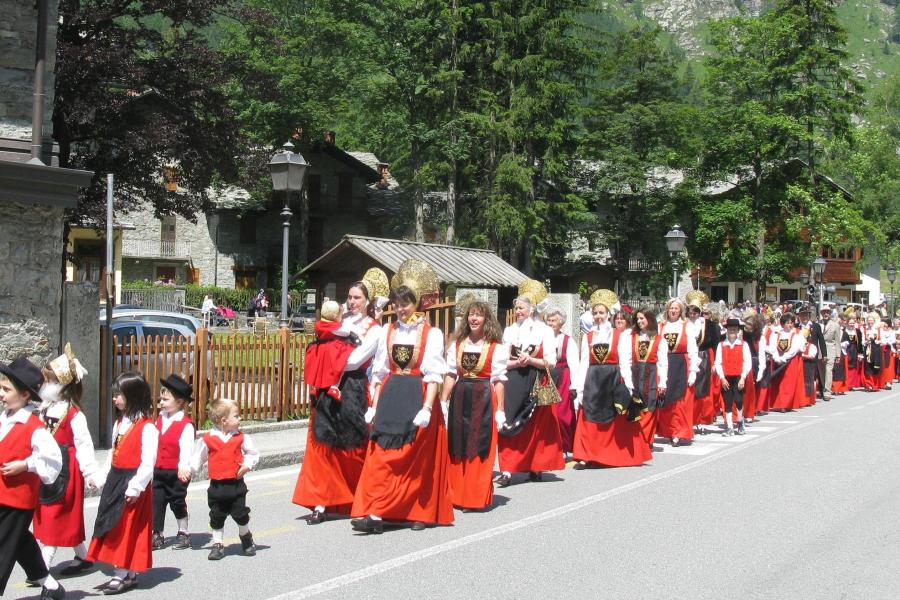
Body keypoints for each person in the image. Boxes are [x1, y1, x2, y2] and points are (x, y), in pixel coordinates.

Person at [350, 259, 453, 533]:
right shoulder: (388, 330)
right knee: (381, 456)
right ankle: (376, 512)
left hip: (418, 395)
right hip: (391, 395)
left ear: (417, 303)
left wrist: (428, 408)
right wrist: (373, 404)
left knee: (414, 459)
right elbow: (380, 370)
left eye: (405, 303)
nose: (400, 308)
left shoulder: (432, 334)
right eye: (397, 303)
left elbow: (434, 374)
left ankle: (418, 511)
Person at [293, 268, 386, 524]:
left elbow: (355, 361)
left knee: (351, 446)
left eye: (357, 297)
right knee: (323, 445)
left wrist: (327, 358)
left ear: (367, 301)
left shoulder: (374, 329)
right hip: (326, 386)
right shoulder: (338, 322)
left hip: (352, 388)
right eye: (350, 297)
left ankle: (357, 496)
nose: (352, 301)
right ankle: (321, 502)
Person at [87, 371, 158, 594]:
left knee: (126, 528)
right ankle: (129, 573)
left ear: (133, 396)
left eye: (119, 395)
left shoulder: (147, 427)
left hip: (132, 482)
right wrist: (101, 477)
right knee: (112, 525)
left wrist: (135, 487)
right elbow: (113, 453)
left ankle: (121, 573)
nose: (114, 399)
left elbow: (148, 463)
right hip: (116, 480)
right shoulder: (119, 423)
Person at [0, 357, 64, 600]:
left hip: (17, 500)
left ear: (25, 395)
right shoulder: (5, 417)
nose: (1, 394)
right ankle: (51, 585)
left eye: (7, 390)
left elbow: (53, 460)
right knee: (19, 542)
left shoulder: (34, 427)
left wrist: (25, 464)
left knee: (4, 547)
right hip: (2, 494)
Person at [33, 346, 99, 578]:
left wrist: (90, 472)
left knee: (57, 514)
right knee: (50, 512)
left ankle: (41, 567)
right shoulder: (45, 408)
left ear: (62, 385)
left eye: (49, 382)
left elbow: (84, 445)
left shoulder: (74, 414)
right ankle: (83, 556)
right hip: (47, 466)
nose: (45, 386)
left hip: (66, 469)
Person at [440, 298, 507, 511]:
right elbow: (451, 374)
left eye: (478, 315)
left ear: (486, 319)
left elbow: (498, 379)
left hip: (483, 396)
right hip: (461, 395)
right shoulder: (457, 344)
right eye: (471, 314)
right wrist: (443, 400)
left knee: (478, 444)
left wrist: (500, 410)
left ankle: (473, 497)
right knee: (458, 443)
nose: (474, 318)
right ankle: (456, 494)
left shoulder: (495, 348)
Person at [496, 280, 564, 486]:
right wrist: (517, 362)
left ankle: (535, 465)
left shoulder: (544, 331)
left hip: (537, 379)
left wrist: (531, 360)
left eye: (521, 308)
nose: (517, 311)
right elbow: (501, 360)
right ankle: (507, 469)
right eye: (516, 308)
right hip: (514, 379)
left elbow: (551, 362)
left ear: (532, 309)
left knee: (535, 425)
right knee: (509, 421)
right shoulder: (509, 331)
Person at [572, 289, 647, 468]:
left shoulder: (619, 335)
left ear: (608, 314)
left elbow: (625, 362)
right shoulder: (588, 336)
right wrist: (579, 387)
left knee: (614, 417)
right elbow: (584, 362)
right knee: (589, 414)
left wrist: (628, 386)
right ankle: (588, 454)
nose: (598, 316)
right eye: (595, 313)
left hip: (612, 379)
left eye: (601, 313)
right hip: (593, 380)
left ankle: (613, 454)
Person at [191, 398, 259, 560]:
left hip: (236, 485)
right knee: (216, 515)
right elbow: (198, 457)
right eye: (236, 416)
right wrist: (189, 470)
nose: (239, 418)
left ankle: (245, 536)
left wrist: (247, 465)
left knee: (240, 514)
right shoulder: (208, 439)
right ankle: (218, 544)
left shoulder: (241, 437)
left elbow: (253, 453)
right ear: (224, 421)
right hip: (217, 486)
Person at [151, 374, 195, 551]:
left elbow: (186, 447)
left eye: (165, 399)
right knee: (157, 502)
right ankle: (157, 533)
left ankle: (183, 532)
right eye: (161, 399)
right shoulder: (160, 419)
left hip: (176, 471)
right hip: (159, 470)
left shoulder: (185, 424)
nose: (161, 402)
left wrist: (184, 466)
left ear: (179, 402)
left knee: (177, 501)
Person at [656, 298, 699, 446]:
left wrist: (693, 370)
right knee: (666, 400)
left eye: (676, 308)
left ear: (681, 311)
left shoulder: (687, 326)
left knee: (681, 401)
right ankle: (669, 430)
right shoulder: (661, 326)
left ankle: (678, 433)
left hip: (681, 363)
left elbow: (693, 349)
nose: (673, 311)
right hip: (665, 363)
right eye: (671, 308)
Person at [543, 306, 579, 458]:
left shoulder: (567, 341)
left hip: (563, 379)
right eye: (549, 320)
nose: (551, 323)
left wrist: (574, 385)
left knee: (562, 414)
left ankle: (563, 446)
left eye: (554, 320)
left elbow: (574, 364)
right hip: (546, 378)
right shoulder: (542, 339)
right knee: (546, 415)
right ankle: (549, 448)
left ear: (561, 323)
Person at [632, 308, 667, 451]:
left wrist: (663, 382)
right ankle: (637, 439)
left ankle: (647, 439)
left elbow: (663, 363)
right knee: (636, 407)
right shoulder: (633, 337)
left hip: (651, 374)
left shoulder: (659, 340)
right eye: (638, 319)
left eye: (642, 318)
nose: (639, 321)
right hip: (635, 373)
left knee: (649, 407)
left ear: (650, 319)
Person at [685, 291, 720, 432]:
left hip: (704, 356)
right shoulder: (684, 324)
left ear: (699, 312)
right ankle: (690, 418)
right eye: (690, 311)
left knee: (702, 389)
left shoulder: (709, 325)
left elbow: (716, 344)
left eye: (695, 311)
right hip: (687, 358)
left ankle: (702, 418)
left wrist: (716, 363)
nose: (692, 314)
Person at [714, 318, 751, 436]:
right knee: (728, 402)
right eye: (730, 329)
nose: (732, 331)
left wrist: (743, 377)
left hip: (739, 377)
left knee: (739, 400)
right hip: (726, 378)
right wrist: (722, 378)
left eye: (734, 329)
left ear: (738, 330)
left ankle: (740, 421)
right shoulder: (721, 345)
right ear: (727, 330)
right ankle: (729, 426)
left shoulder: (743, 345)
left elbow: (747, 362)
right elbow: (718, 363)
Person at [769, 313, 806, 411]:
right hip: (777, 360)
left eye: (791, 323)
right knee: (777, 382)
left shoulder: (796, 334)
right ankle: (777, 403)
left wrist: (785, 358)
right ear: (782, 324)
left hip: (790, 360)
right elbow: (773, 346)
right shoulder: (776, 333)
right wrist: (776, 358)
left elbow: (795, 348)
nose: (790, 325)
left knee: (788, 383)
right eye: (787, 323)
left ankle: (785, 404)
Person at [820, 307, 841, 400]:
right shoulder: (818, 323)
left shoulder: (835, 325)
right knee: (821, 370)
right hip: (820, 349)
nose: (826, 314)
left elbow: (837, 340)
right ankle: (823, 388)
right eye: (824, 312)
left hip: (830, 348)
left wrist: (838, 354)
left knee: (828, 370)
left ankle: (827, 392)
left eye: (827, 312)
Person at [843, 310, 864, 391]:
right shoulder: (844, 330)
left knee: (853, 367)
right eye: (850, 323)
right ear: (847, 323)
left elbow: (860, 343)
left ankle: (851, 384)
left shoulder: (857, 331)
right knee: (846, 367)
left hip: (854, 350)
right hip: (846, 350)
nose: (851, 324)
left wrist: (860, 353)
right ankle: (846, 384)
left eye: (853, 323)